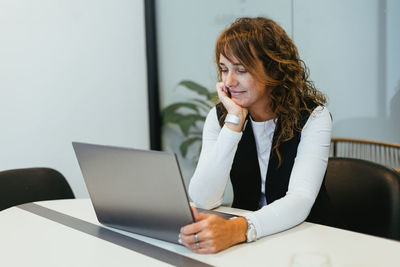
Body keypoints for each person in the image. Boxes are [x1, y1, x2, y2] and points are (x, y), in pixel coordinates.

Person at [179, 17, 332, 254]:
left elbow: (300, 199)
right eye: (224, 69)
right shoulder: (221, 116)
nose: (229, 81)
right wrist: (233, 123)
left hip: (307, 241)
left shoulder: (313, 116)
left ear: (273, 69)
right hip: (250, 245)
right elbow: (203, 200)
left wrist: (238, 229)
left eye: (241, 70)